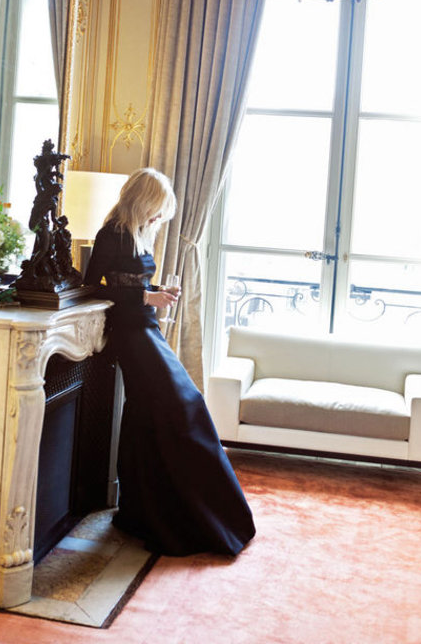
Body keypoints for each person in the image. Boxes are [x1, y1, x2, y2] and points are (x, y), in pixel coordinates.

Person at [84, 167, 255, 557]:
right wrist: (146, 297)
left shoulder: (138, 232)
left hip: (147, 327)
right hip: (130, 334)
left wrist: (156, 292)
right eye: (157, 208)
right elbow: (93, 286)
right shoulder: (111, 233)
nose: (159, 217)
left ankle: (150, 510)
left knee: (149, 415)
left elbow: (132, 284)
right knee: (183, 403)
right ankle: (183, 513)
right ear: (143, 200)